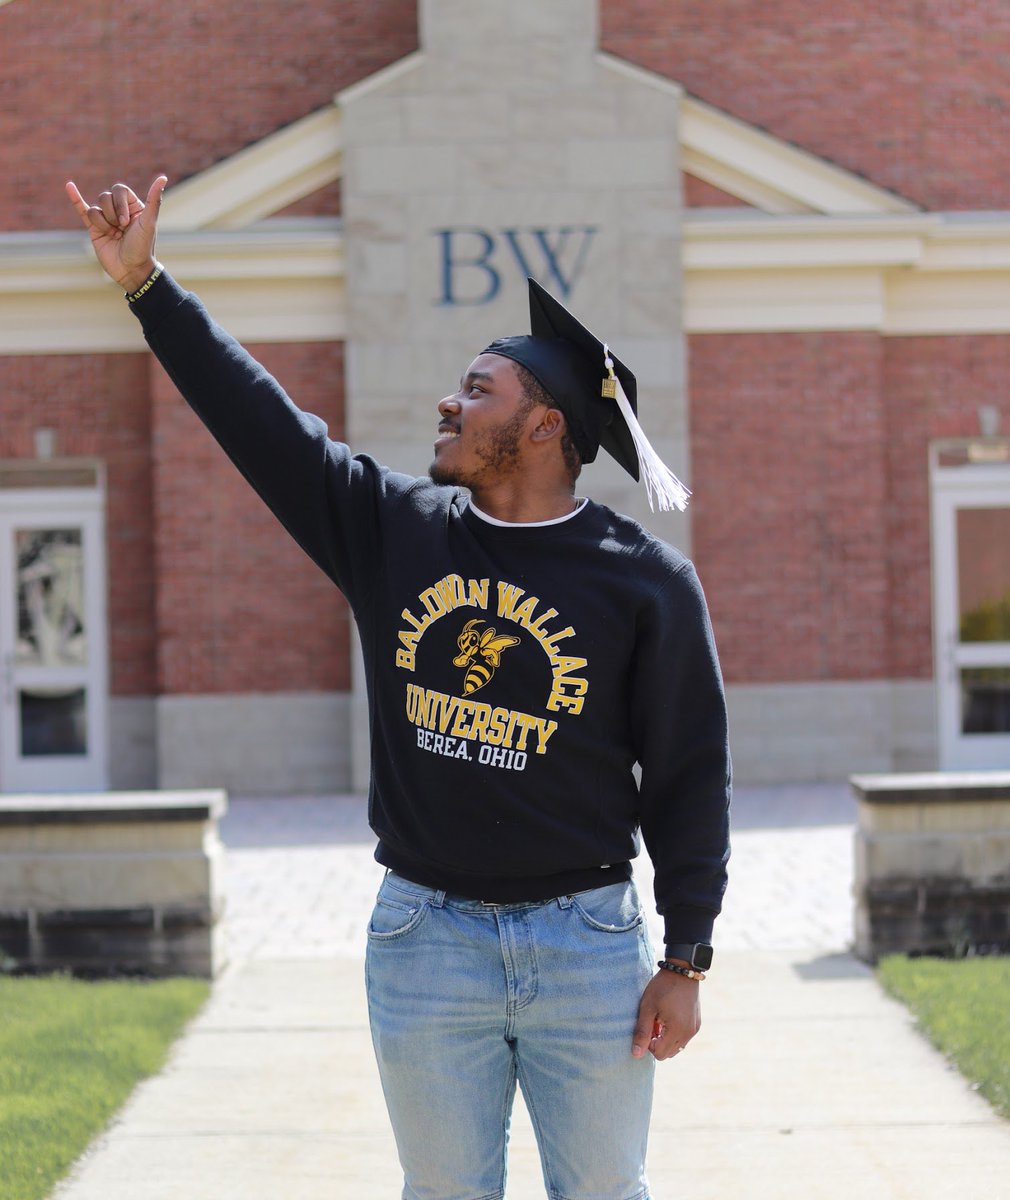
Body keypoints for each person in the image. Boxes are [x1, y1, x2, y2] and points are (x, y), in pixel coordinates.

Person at [67, 175, 731, 1200]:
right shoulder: (394, 532)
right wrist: (146, 283)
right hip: (426, 940)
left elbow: (689, 777)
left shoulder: (642, 579)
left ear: (545, 427)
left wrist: (683, 961)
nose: (448, 402)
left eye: (477, 390)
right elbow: (262, 425)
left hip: (586, 943)